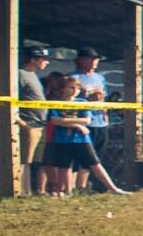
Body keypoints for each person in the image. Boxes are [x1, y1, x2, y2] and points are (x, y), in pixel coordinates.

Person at [67, 49, 129, 195]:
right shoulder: (73, 77)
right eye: (91, 58)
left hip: (99, 121)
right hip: (83, 122)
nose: (94, 61)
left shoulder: (100, 78)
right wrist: (87, 98)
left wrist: (105, 113)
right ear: (81, 60)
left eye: (96, 59)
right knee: (80, 156)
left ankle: (82, 186)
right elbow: (68, 99)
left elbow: (104, 98)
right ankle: (73, 187)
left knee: (95, 155)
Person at [40, 72, 100, 196]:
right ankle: (62, 190)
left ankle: (110, 187)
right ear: (62, 89)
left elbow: (87, 120)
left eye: (77, 88)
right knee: (62, 166)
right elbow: (55, 120)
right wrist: (77, 125)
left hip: (80, 139)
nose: (74, 90)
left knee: (91, 163)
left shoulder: (81, 102)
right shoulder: (55, 103)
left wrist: (67, 122)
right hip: (60, 139)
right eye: (71, 87)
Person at [16, 46, 50, 192]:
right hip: (28, 123)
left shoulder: (33, 75)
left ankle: (29, 190)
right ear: (33, 59)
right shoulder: (20, 75)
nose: (46, 62)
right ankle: (21, 191)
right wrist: (21, 122)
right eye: (43, 59)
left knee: (35, 161)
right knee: (24, 161)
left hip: (39, 124)